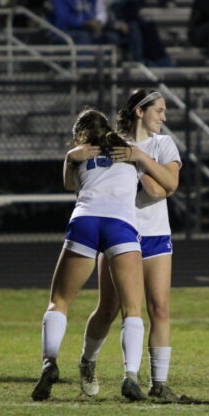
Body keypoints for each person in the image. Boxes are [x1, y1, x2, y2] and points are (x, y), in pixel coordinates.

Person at [31, 107, 178, 401]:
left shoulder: (78, 154)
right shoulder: (129, 151)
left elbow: (70, 185)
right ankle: (130, 375)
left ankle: (49, 364)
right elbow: (159, 189)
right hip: (121, 226)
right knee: (132, 310)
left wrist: (70, 159)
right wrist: (140, 161)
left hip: (84, 221)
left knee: (59, 302)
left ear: (81, 134)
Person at [79, 90, 183, 400]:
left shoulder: (162, 144)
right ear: (140, 111)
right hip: (120, 232)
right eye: (159, 111)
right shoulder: (113, 143)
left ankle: (159, 383)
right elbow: (151, 186)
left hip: (155, 235)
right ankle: (88, 362)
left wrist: (139, 158)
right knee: (109, 309)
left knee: (160, 308)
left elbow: (170, 185)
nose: (163, 117)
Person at [102, 0, 173, 66]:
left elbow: (138, 14)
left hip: (130, 23)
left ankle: (160, 59)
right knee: (134, 26)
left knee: (148, 25)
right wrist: (118, 25)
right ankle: (138, 59)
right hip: (111, 27)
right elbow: (104, 17)